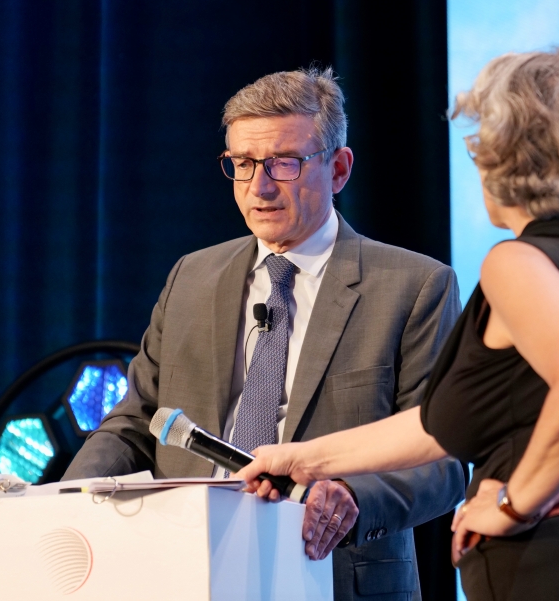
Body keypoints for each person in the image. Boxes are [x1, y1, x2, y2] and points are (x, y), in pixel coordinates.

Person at [238, 48, 559, 600]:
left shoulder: (516, 263)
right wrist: (300, 459)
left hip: (556, 568)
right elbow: (438, 427)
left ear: (504, 156)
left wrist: (516, 502)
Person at [64, 68, 466, 601]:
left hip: (332, 574)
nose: (261, 186)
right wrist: (64, 502)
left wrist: (351, 495)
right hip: (184, 571)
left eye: (284, 162)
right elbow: (135, 422)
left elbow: (444, 462)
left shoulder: (413, 286)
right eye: (243, 164)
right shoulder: (191, 277)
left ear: (339, 169)